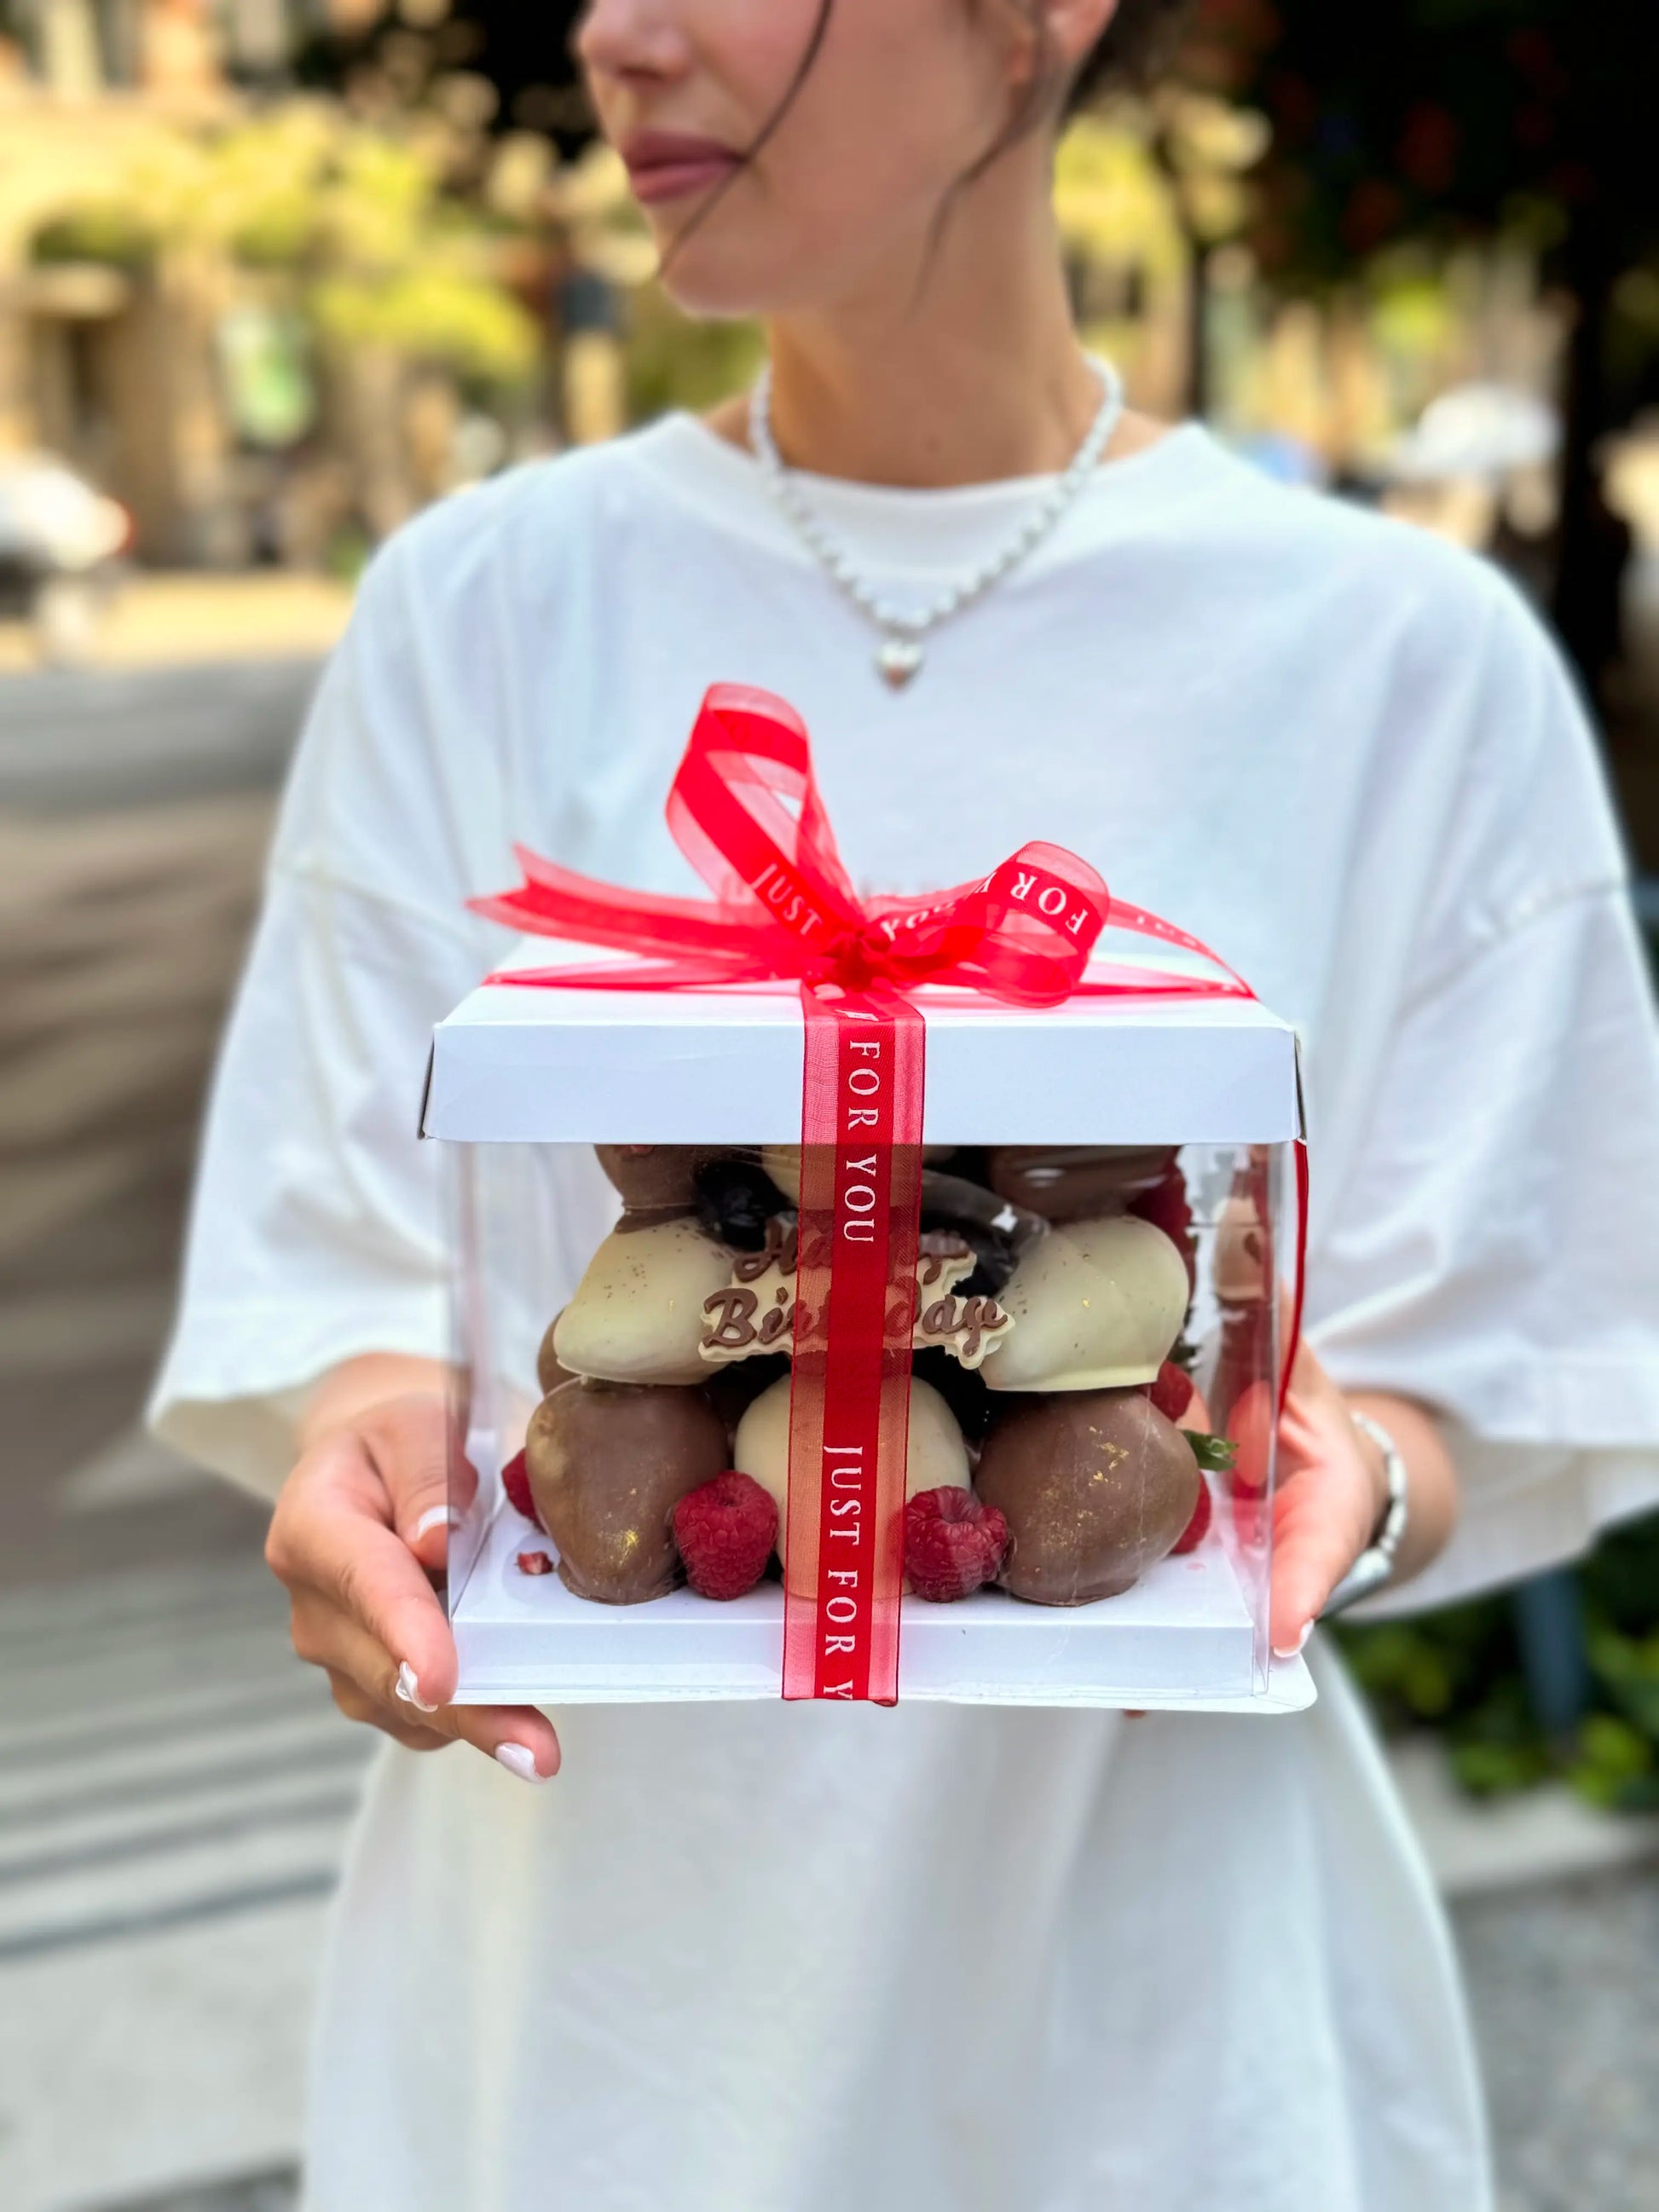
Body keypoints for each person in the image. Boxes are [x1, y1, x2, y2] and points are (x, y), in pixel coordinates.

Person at [152, 3, 1659, 2207]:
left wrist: (1355, 1486)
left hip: (1153, 2032)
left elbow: (1499, 1358)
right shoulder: (476, 610)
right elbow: (365, 1270)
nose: (607, 32)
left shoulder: (1392, 658)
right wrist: (367, 1449)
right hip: (591, 2017)